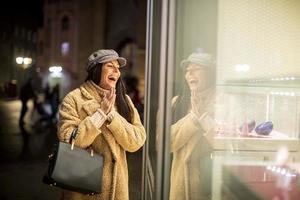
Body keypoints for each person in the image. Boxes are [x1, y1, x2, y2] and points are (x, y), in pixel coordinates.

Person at [57, 49, 146, 200]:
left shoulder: (124, 101)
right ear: (96, 70)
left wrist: (112, 116)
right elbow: (69, 141)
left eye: (118, 68)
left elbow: (136, 142)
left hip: (118, 191)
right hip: (83, 190)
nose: (116, 71)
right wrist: (100, 114)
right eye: (110, 66)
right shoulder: (74, 99)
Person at [169, 52, 216, 200]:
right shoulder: (176, 102)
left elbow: (225, 145)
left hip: (208, 187)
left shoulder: (223, 101)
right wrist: (194, 119)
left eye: (196, 69)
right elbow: (165, 143)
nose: (190, 74)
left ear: (210, 73)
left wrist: (203, 117)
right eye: (188, 70)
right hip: (178, 186)